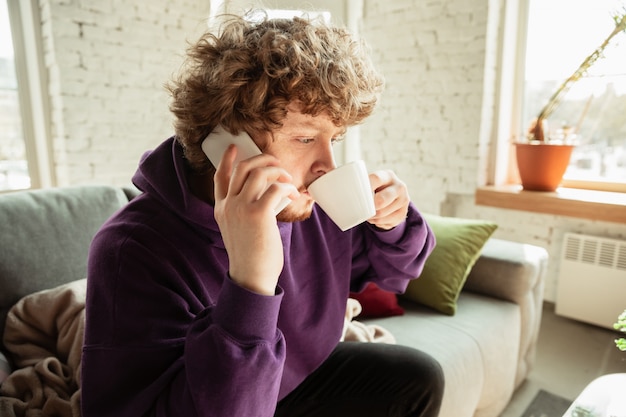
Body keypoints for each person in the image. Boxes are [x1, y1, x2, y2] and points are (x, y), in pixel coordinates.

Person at [81, 12, 444, 417]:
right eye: (306, 138)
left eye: (333, 138)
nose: (327, 164)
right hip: (229, 398)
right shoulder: (132, 249)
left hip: (289, 382)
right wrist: (251, 282)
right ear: (225, 142)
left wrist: (394, 223)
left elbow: (396, 274)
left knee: (417, 377)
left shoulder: (306, 203)